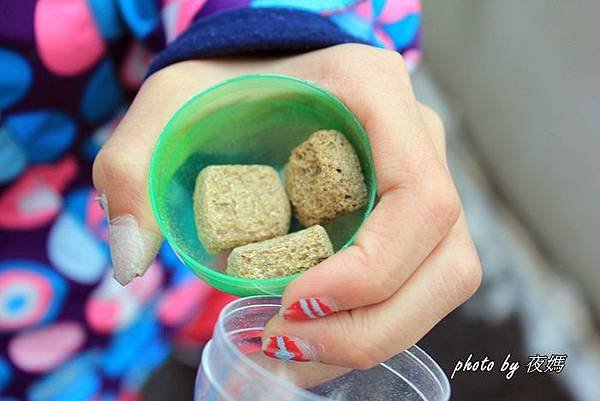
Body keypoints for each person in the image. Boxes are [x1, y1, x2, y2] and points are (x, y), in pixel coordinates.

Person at [0, 0, 481, 398]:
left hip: (98, 255)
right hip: (41, 327)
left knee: (124, 336)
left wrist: (272, 30)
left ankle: (202, 321)